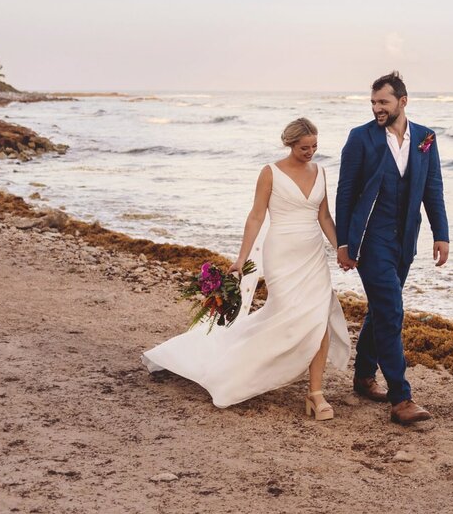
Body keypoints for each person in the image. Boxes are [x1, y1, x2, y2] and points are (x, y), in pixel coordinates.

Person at [142, 118, 351, 417]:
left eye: (315, 146)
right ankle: (233, 364)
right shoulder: (270, 173)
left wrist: (341, 249)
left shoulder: (320, 172)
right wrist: (240, 260)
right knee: (285, 318)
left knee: (319, 318)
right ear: (290, 144)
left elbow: (324, 217)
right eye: (305, 147)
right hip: (281, 254)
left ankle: (316, 394)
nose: (311, 152)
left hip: (313, 255)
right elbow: (256, 217)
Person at [335, 71, 450, 425]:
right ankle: (401, 398)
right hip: (370, 239)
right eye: (372, 102)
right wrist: (343, 242)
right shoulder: (360, 138)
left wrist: (440, 234)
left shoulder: (425, 138)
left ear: (403, 101)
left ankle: (363, 376)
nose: (376, 108)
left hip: (405, 240)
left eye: (383, 102)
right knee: (391, 311)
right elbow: (345, 192)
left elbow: (433, 189)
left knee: (382, 309)